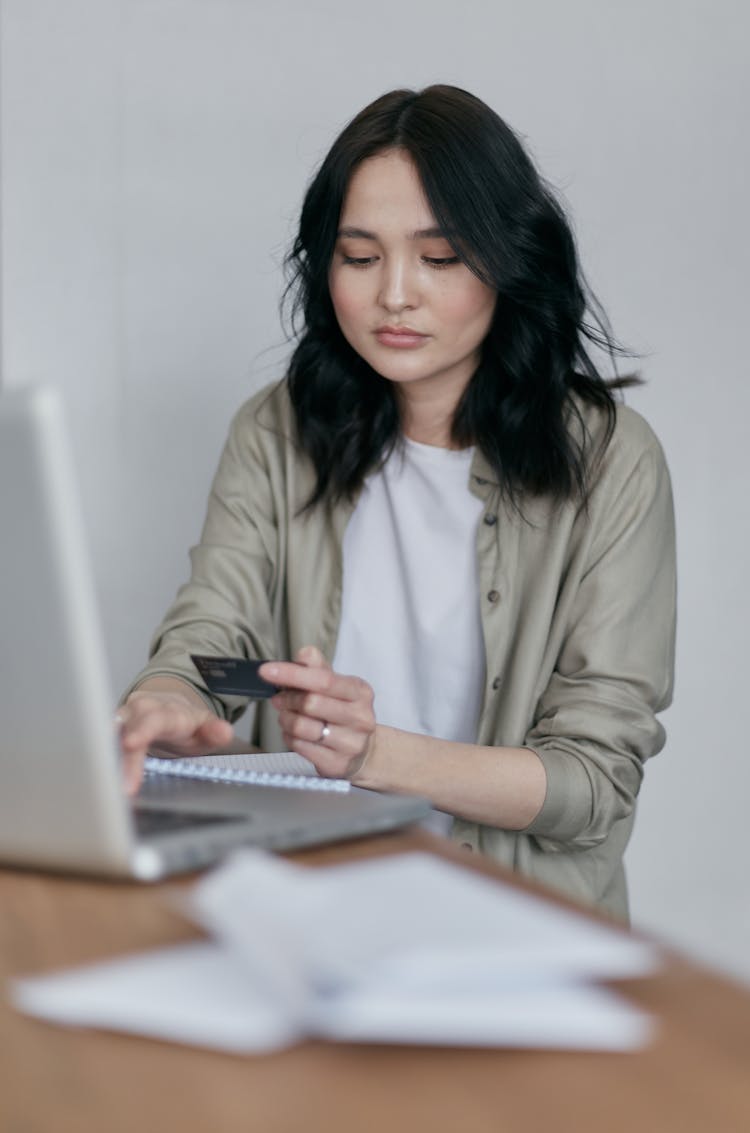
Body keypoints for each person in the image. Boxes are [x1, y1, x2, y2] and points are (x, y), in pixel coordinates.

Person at [118, 85, 676, 919]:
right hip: (300, 903)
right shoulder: (276, 431)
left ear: (507, 258)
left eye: (440, 256)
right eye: (359, 255)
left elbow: (591, 782)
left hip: (515, 928)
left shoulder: (610, 461)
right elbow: (213, 634)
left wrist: (373, 752)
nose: (395, 295)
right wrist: (167, 701)